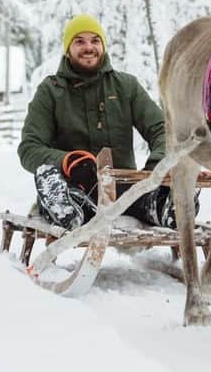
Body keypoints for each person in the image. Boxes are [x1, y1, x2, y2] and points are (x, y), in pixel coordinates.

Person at [17, 14, 192, 231]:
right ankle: (70, 212)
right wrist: (67, 161)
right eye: (79, 41)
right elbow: (29, 148)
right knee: (47, 175)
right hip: (75, 188)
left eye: (95, 40)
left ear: (103, 45)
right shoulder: (50, 91)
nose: (88, 47)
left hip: (126, 192)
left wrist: (158, 162)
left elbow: (162, 129)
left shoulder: (126, 86)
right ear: (68, 49)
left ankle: (169, 206)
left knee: (164, 183)